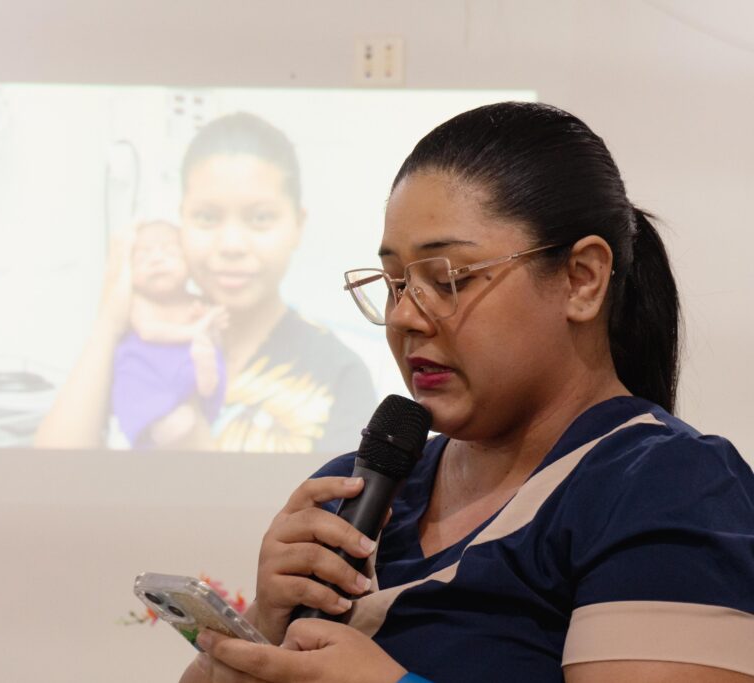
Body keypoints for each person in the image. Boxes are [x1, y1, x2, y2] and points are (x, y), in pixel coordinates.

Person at [180, 102, 754, 682]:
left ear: (582, 279)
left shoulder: (668, 487)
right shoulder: (357, 495)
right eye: (395, 283)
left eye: (448, 277)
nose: (405, 315)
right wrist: (264, 620)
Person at [36, 112, 377, 452]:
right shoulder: (139, 339)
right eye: (206, 217)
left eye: (260, 218)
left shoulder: (339, 372)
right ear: (181, 219)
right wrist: (109, 322)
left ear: (297, 226)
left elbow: (343, 503)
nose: (231, 245)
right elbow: (50, 475)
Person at [109, 220, 227, 449]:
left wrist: (209, 322)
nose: (156, 260)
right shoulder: (140, 302)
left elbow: (212, 325)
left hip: (189, 371)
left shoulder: (195, 301)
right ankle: (157, 428)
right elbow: (148, 330)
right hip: (149, 371)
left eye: (171, 253)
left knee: (210, 351)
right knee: (132, 377)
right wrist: (192, 330)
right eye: (142, 257)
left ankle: (206, 383)